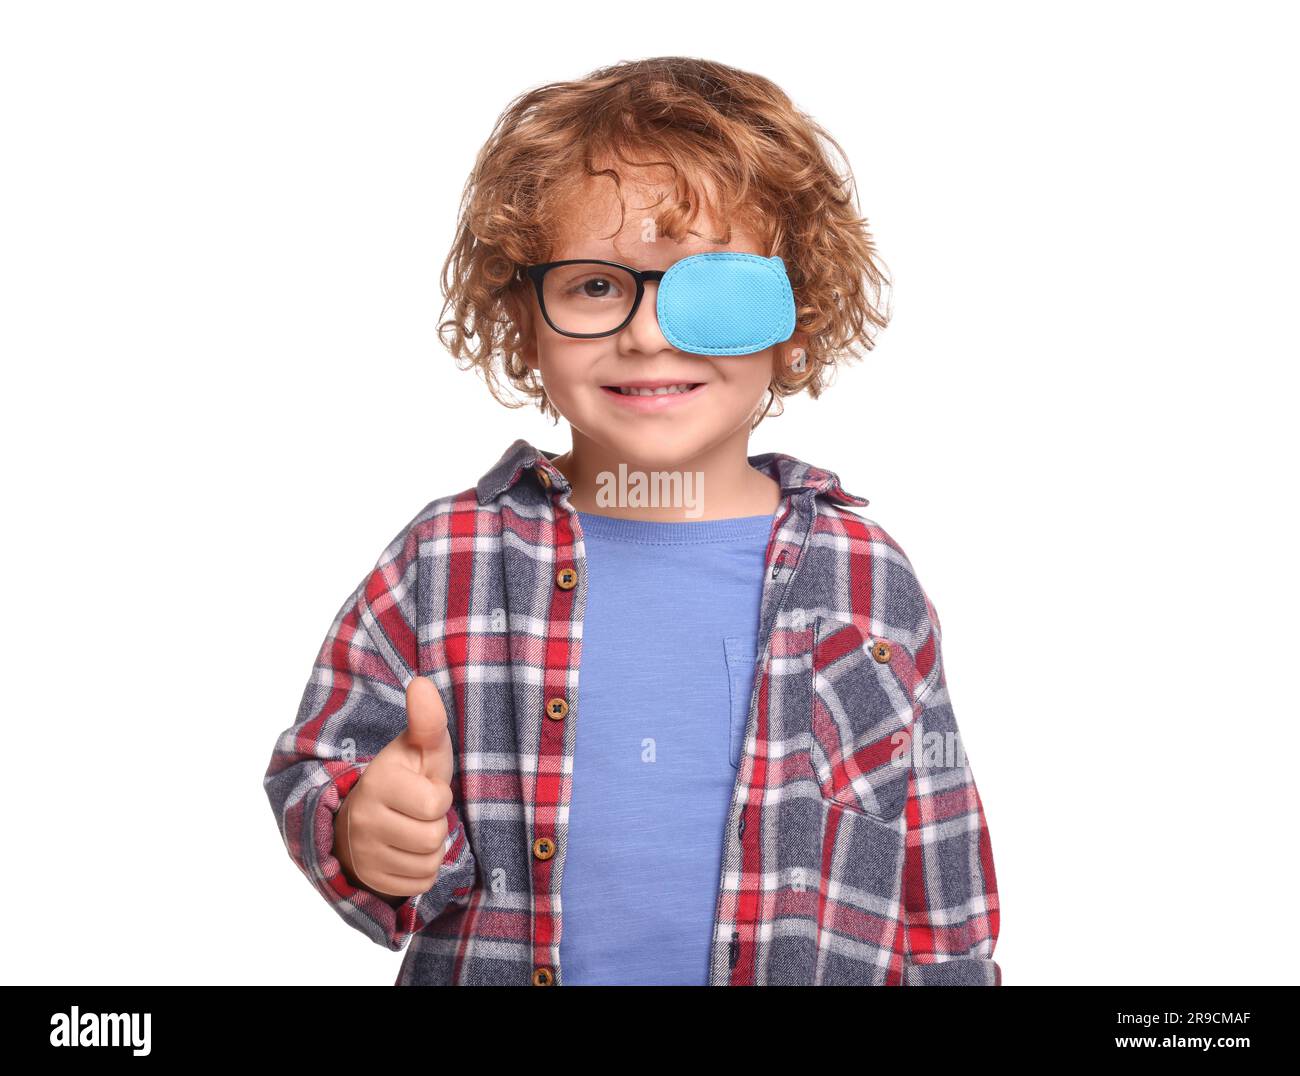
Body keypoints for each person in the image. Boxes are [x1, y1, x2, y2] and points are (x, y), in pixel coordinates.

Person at [263, 56, 1001, 986]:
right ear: (522, 323)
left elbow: (940, 875)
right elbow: (319, 764)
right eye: (596, 287)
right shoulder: (447, 558)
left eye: (712, 290)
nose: (649, 334)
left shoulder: (866, 578)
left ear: (795, 316)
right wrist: (365, 830)